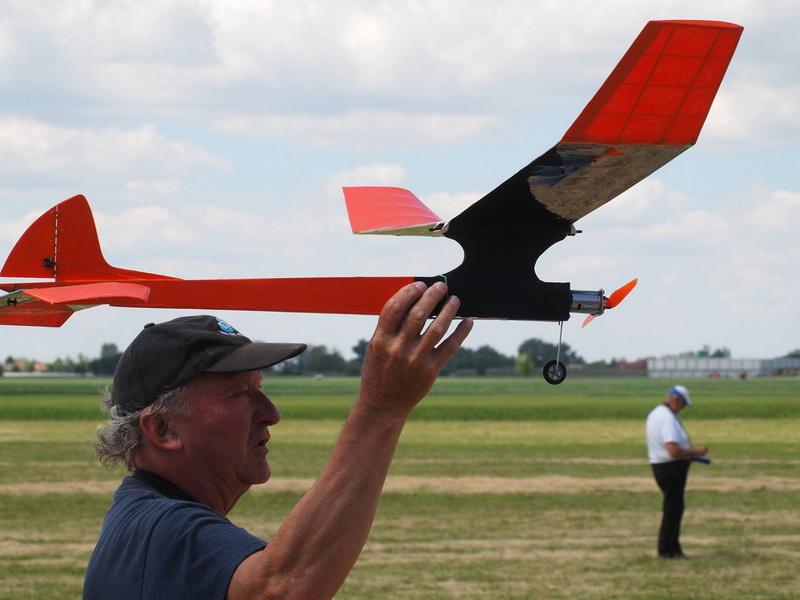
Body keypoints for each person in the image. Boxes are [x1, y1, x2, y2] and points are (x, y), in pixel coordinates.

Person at [83, 281, 472, 599]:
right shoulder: (164, 528)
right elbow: (281, 589)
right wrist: (382, 408)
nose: (270, 412)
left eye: (260, 389)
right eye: (240, 394)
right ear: (163, 429)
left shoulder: (144, 517)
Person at [645, 384, 709, 559]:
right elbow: (673, 450)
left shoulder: (656, 413)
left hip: (661, 466)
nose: (683, 408)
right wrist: (696, 452)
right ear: (676, 400)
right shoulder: (667, 419)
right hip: (671, 469)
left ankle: (672, 548)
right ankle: (668, 550)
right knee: (673, 509)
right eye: (683, 404)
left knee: (673, 508)